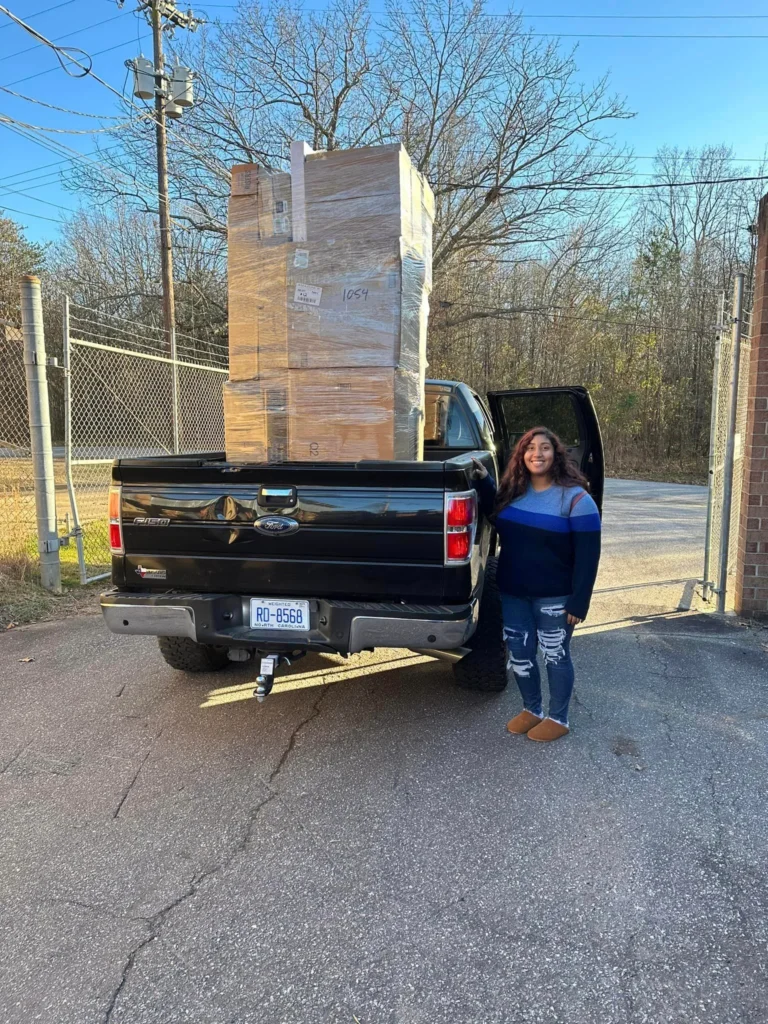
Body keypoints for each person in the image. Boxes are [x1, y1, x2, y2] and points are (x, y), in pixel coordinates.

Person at [470, 427, 601, 743]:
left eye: (544, 447)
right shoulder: (514, 492)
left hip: (556, 597)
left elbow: (588, 557)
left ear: (556, 454)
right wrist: (484, 481)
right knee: (520, 654)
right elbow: (497, 517)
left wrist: (580, 601)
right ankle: (532, 709)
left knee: (555, 654)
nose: (537, 453)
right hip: (514, 592)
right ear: (522, 455)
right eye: (530, 447)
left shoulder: (576, 499)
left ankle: (558, 717)